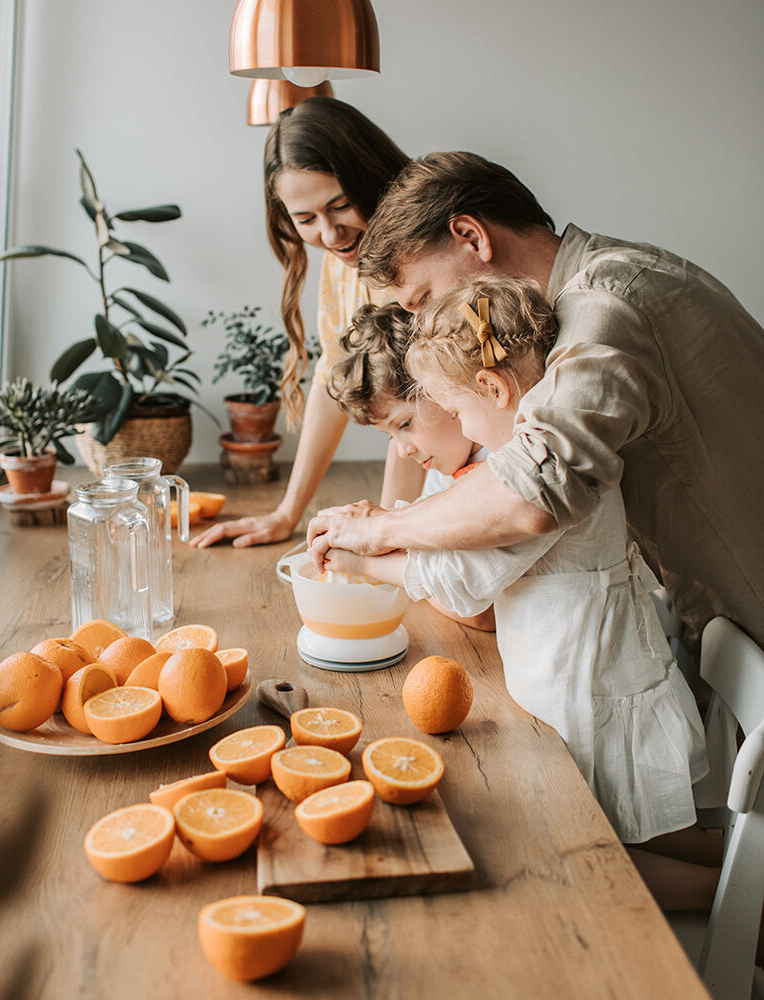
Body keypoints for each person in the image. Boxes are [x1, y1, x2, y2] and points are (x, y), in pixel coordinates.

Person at [322, 275, 721, 908]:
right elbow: (453, 554)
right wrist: (380, 531)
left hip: (587, 683)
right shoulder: (501, 453)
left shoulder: (526, 475)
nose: (449, 428)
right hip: (576, 673)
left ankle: (745, 920)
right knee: (644, 834)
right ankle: (741, 885)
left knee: (584, 851)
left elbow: (463, 580)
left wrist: (362, 559)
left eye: (448, 412)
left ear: (489, 389)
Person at [307, 151, 764, 649]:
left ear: (472, 237)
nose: (422, 327)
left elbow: (532, 490)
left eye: (422, 300)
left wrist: (382, 528)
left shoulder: (606, 305)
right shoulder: (582, 297)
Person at [190, 97, 423, 550]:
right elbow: (333, 376)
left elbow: (420, 402)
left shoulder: (422, 251)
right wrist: (287, 513)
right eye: (306, 219)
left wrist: (389, 532)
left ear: (371, 175)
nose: (331, 235)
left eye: (340, 205)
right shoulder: (344, 259)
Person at [326, 299, 494, 631]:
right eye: (390, 436)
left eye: (404, 425)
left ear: (445, 387)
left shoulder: (501, 459)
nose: (403, 452)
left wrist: (372, 564)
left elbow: (481, 613)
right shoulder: (443, 469)